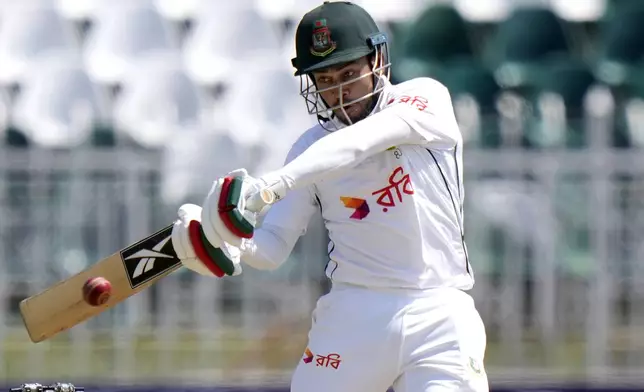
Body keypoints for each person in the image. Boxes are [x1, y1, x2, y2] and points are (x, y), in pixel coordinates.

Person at [170, 1, 489, 391]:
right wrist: (231, 244)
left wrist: (270, 185)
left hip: (439, 315)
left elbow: (359, 143)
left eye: (350, 73)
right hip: (352, 315)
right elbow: (271, 248)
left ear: (377, 60)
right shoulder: (308, 150)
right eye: (324, 79)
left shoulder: (424, 99)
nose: (340, 91)